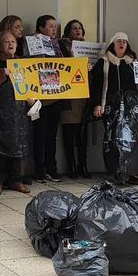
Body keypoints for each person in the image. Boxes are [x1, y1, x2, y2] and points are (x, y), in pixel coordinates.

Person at [90, 32, 138, 185]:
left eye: (124, 41)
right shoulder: (103, 62)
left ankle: (134, 174)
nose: (122, 44)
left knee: (134, 141)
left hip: (132, 109)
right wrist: (97, 104)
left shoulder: (133, 63)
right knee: (113, 140)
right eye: (118, 41)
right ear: (113, 44)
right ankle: (115, 173)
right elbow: (96, 85)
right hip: (111, 107)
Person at [0, 29, 32, 195]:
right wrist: (0, 77)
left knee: (19, 144)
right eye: (6, 42)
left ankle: (16, 179)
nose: (10, 44)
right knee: (1, 146)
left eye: (13, 42)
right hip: (0, 110)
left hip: (20, 110)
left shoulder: (23, 63)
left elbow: (32, 85)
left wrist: (32, 98)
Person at [31, 15, 66, 182]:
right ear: (41, 28)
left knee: (52, 135)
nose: (54, 29)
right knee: (40, 135)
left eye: (55, 26)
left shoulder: (59, 46)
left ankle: (52, 168)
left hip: (56, 96)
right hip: (39, 99)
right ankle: (40, 169)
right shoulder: (32, 43)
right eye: (50, 26)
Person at [59, 20, 91, 179]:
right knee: (69, 133)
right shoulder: (61, 46)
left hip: (83, 95)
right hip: (69, 95)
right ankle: (71, 165)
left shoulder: (88, 49)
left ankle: (83, 165)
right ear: (67, 32)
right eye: (74, 28)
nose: (78, 30)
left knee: (83, 134)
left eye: (80, 28)